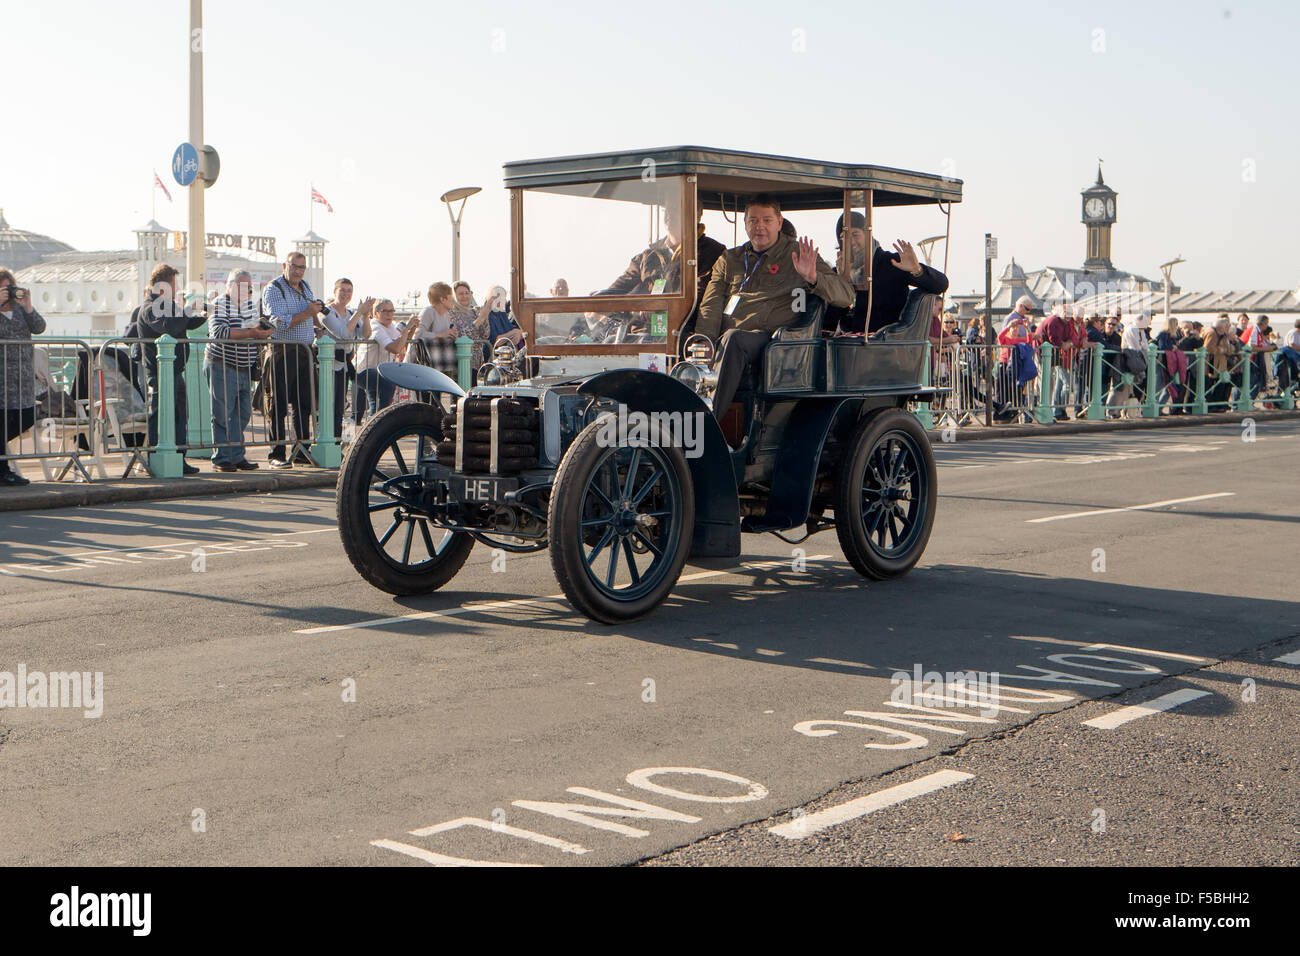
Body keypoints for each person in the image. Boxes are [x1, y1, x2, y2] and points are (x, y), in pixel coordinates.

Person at [696, 195, 854, 428]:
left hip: (771, 341)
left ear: (779, 223)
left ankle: (704, 426)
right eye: (753, 220)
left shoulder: (798, 254)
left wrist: (813, 277)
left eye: (767, 220)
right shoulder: (730, 259)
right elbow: (711, 306)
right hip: (729, 342)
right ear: (746, 223)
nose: (759, 226)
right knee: (686, 338)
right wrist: (702, 345)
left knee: (734, 339)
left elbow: (846, 295)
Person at [130, 262, 207, 474]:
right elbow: (170, 327)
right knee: (161, 414)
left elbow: (184, 323)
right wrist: (187, 313)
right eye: (175, 284)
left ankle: (179, 458)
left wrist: (201, 315)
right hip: (159, 372)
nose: (178, 288)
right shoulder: (150, 307)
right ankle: (156, 458)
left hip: (174, 370)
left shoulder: (168, 305)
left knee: (180, 414)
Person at [830, 211, 949, 334]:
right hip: (847, 346)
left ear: (867, 234)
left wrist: (917, 270)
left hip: (887, 346)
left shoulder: (892, 263)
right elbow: (830, 323)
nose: (851, 241)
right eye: (844, 237)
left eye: (855, 234)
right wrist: (840, 281)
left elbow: (942, 284)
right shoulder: (839, 271)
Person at [207, 270, 273, 471]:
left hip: (244, 367)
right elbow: (219, 332)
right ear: (231, 286)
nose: (248, 291)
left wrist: (261, 332)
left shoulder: (249, 307)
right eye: (244, 287)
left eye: (250, 287)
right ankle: (221, 457)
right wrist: (252, 333)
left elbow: (251, 330)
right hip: (222, 364)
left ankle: (236, 455)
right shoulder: (219, 304)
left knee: (242, 413)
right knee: (222, 413)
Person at [262, 251, 322, 467]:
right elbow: (279, 322)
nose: (298, 271)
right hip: (282, 351)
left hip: (304, 351)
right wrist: (307, 313)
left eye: (302, 267)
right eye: (294, 266)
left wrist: (318, 328)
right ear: (284, 266)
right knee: (277, 404)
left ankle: (301, 451)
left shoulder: (306, 287)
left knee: (303, 405)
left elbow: (309, 316)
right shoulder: (273, 288)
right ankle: (276, 454)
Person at [0, 269, 45, 487]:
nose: (7, 293)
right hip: (2, 378)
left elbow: (39, 327)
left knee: (26, 416)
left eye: (10, 287)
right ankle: (3, 471)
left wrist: (28, 306)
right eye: (3, 288)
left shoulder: (20, 310)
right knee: (1, 421)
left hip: (23, 377)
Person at [317, 277, 368, 439]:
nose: (346, 294)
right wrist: (360, 312)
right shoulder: (326, 312)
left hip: (344, 365)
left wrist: (365, 315)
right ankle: (327, 439)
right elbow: (343, 333)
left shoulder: (351, 314)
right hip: (327, 365)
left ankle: (338, 441)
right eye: (342, 290)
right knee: (328, 405)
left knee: (340, 406)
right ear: (334, 291)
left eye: (349, 291)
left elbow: (365, 335)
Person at [353, 298, 413, 424]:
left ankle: (372, 428)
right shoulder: (375, 326)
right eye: (384, 311)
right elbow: (395, 348)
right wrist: (407, 329)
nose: (389, 314)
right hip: (363, 371)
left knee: (375, 404)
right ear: (375, 314)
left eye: (391, 311)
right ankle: (380, 423)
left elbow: (401, 341)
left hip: (377, 370)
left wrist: (411, 329)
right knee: (387, 384)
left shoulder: (391, 326)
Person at [1203, 314, 1241, 411]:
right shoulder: (1212, 333)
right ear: (1221, 327)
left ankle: (1220, 404)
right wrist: (1222, 350)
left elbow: (1229, 348)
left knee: (1222, 383)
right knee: (1213, 384)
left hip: (1221, 364)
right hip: (1212, 363)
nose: (1228, 328)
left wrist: (1225, 349)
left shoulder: (1223, 335)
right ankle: (1213, 406)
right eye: (1226, 326)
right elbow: (1208, 348)